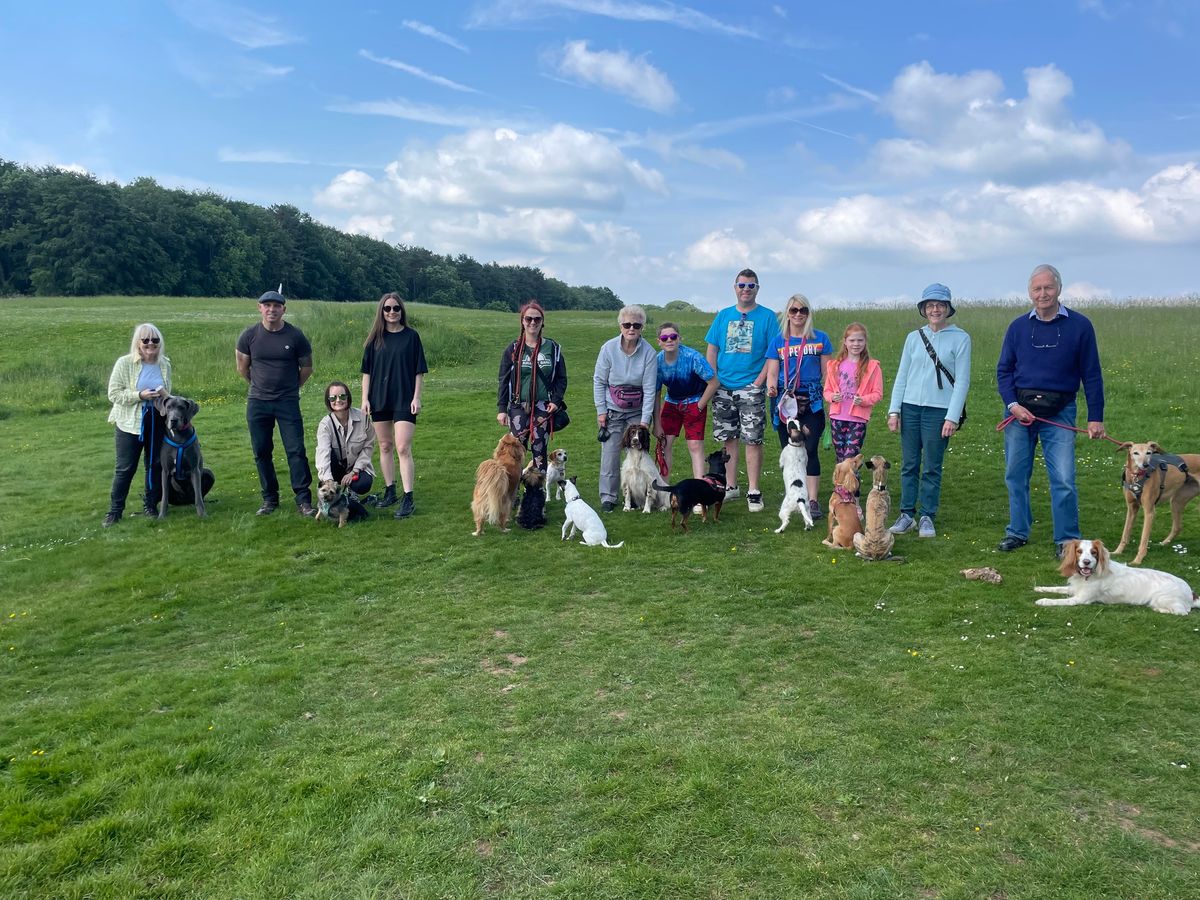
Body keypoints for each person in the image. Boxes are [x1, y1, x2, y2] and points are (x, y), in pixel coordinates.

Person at [996, 264, 1105, 557]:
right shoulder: (1018, 327)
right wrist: (1013, 405)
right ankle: (1017, 531)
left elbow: (1092, 374)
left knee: (1064, 479)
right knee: (1015, 475)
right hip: (1020, 414)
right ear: (1030, 292)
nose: (1042, 294)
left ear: (1059, 288)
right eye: (1037, 289)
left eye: (1048, 288)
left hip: (1060, 412)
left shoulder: (1080, 326)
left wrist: (1096, 417)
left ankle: (1067, 540)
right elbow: (1004, 370)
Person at [886, 283, 971, 539]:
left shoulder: (961, 338)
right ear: (923, 309)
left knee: (932, 466)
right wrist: (894, 410)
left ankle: (927, 516)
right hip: (910, 407)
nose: (935, 310)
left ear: (948, 308)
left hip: (939, 410)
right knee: (909, 464)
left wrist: (952, 417)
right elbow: (902, 375)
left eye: (940, 305)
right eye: (930, 305)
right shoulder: (914, 337)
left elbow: (963, 381)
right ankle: (906, 514)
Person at [705, 268, 780, 512]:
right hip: (724, 386)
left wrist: (759, 382)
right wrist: (713, 378)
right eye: (741, 285)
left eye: (751, 286)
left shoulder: (768, 317)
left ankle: (754, 490)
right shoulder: (724, 316)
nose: (745, 290)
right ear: (734, 287)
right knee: (728, 438)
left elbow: (773, 353)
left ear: (758, 289)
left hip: (751, 386)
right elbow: (713, 349)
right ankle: (730, 486)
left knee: (753, 438)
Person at [236, 289, 315, 517]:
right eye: (267, 305)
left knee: (296, 450)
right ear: (260, 308)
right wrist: (258, 385)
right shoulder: (249, 335)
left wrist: (291, 387)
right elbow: (242, 367)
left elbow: (307, 368)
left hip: (287, 402)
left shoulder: (295, 336)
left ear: (284, 309)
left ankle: (303, 501)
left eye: (276, 306)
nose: (272, 309)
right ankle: (270, 499)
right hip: (258, 403)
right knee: (261, 451)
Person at [765, 294, 834, 520]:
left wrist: (829, 395)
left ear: (808, 313)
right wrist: (772, 388)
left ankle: (812, 500)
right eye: (793, 310)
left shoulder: (820, 339)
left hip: (811, 399)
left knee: (810, 449)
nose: (798, 315)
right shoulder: (778, 342)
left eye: (802, 310)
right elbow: (773, 372)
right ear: (787, 313)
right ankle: (792, 495)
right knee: (791, 453)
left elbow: (827, 373)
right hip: (785, 401)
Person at [361, 291, 428, 520]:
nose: (391, 312)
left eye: (396, 308)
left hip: (404, 397)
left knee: (402, 447)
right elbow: (366, 373)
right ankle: (390, 490)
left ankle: (408, 497)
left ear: (402, 311)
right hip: (379, 397)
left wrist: (416, 397)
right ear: (382, 311)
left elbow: (419, 371)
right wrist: (365, 399)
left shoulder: (411, 337)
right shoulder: (374, 339)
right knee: (385, 445)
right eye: (387, 308)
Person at [103, 323, 170, 526]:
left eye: (155, 340)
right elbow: (113, 394)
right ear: (138, 343)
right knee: (125, 469)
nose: (150, 344)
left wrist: (167, 400)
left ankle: (150, 505)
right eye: (146, 340)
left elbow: (167, 394)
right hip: (129, 424)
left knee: (155, 465)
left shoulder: (164, 363)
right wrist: (139, 395)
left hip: (156, 422)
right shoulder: (125, 363)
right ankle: (115, 512)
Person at [593, 305, 658, 511]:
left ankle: (641, 496)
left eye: (636, 325)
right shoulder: (608, 349)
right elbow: (599, 381)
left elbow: (650, 389)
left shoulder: (649, 352)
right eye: (627, 324)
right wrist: (601, 411)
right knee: (610, 453)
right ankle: (608, 497)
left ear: (642, 327)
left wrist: (645, 421)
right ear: (620, 325)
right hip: (613, 407)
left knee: (638, 454)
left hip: (637, 409)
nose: (631, 328)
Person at [497, 301, 567, 473]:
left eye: (537, 319)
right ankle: (513, 494)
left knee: (539, 450)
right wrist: (502, 409)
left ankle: (536, 495)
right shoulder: (513, 349)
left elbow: (561, 378)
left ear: (542, 322)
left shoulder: (553, 348)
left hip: (544, 406)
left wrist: (556, 400)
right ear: (522, 321)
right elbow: (503, 380)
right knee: (515, 451)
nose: (533, 323)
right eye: (528, 319)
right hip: (518, 406)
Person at [652, 322, 718, 480]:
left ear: (679, 338)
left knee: (695, 445)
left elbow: (714, 382)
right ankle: (663, 489)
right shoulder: (657, 362)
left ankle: (699, 490)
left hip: (695, 401)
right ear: (659, 341)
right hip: (671, 402)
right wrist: (657, 423)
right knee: (664, 443)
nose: (669, 340)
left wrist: (700, 406)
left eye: (673, 336)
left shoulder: (693, 357)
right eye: (664, 337)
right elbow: (656, 392)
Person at [824, 323, 884, 462]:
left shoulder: (873, 367)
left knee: (850, 459)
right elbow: (827, 391)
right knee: (840, 458)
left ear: (865, 342)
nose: (856, 344)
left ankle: (849, 484)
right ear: (845, 342)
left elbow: (877, 393)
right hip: (837, 417)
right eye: (852, 340)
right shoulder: (834, 365)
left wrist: (863, 400)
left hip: (857, 419)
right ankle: (841, 484)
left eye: (860, 340)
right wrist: (833, 397)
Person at [315, 380, 375, 497]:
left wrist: (353, 472)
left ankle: (352, 492)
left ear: (348, 398)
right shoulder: (325, 425)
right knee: (328, 454)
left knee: (363, 484)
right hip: (336, 468)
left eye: (342, 396)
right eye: (333, 398)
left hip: (356, 467)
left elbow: (368, 448)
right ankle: (333, 488)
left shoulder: (364, 418)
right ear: (328, 401)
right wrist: (328, 481)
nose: (338, 400)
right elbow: (323, 454)